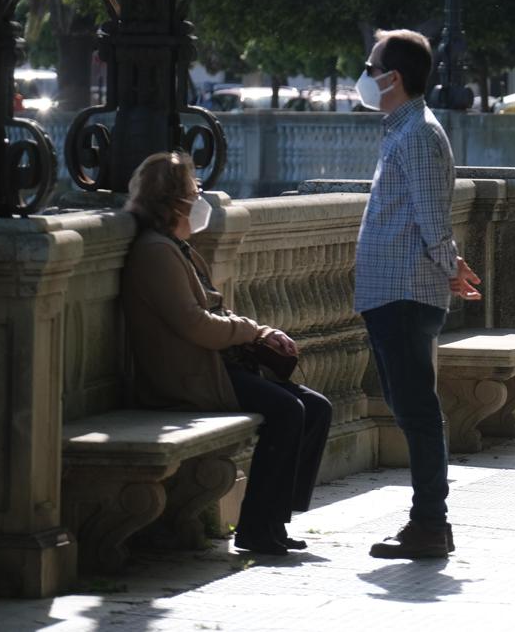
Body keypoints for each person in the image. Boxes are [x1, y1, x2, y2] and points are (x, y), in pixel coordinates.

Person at [121, 152, 333, 556]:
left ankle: (273, 518)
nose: (199, 197)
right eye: (192, 191)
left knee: (316, 407)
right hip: (190, 376)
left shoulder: (176, 246)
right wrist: (252, 332)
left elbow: (214, 308)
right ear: (172, 200)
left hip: (211, 367)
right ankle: (256, 528)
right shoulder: (156, 252)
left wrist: (262, 331)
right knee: (288, 412)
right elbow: (195, 324)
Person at [354, 29, 482, 560]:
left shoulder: (419, 136)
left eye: (371, 64)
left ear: (393, 77)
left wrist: (450, 268)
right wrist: (452, 265)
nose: (364, 74)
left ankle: (430, 522)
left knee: (418, 412)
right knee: (410, 409)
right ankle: (427, 521)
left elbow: (433, 223)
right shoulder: (403, 131)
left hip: (406, 294)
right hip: (392, 293)